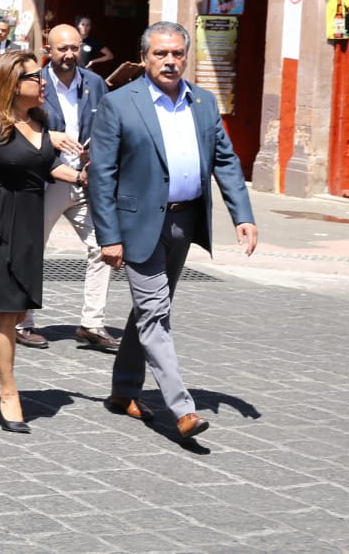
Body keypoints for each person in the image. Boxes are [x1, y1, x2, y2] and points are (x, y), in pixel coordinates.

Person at [88, 22, 257, 440]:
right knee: (155, 314)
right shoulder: (120, 103)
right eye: (161, 54)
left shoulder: (202, 101)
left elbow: (226, 160)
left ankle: (122, 390)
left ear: (186, 57)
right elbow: (101, 176)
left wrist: (243, 215)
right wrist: (109, 236)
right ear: (144, 58)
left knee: (149, 311)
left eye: (177, 54)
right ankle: (181, 408)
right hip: (136, 224)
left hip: (184, 221)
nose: (169, 61)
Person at [0, 51, 84, 433]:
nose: (42, 83)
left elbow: (41, 166)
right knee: (6, 310)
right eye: (33, 77)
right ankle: (8, 393)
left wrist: (82, 177)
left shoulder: (40, 121)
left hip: (26, 220)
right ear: (10, 82)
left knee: (12, 312)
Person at [15, 23, 116, 352]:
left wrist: (95, 160)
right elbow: (19, 129)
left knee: (102, 247)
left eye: (75, 48)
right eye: (62, 49)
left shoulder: (96, 84)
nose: (70, 55)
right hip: (47, 181)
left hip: (85, 179)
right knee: (31, 250)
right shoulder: (35, 84)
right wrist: (49, 141)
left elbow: (106, 129)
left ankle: (92, 323)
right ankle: (22, 322)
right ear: (49, 48)